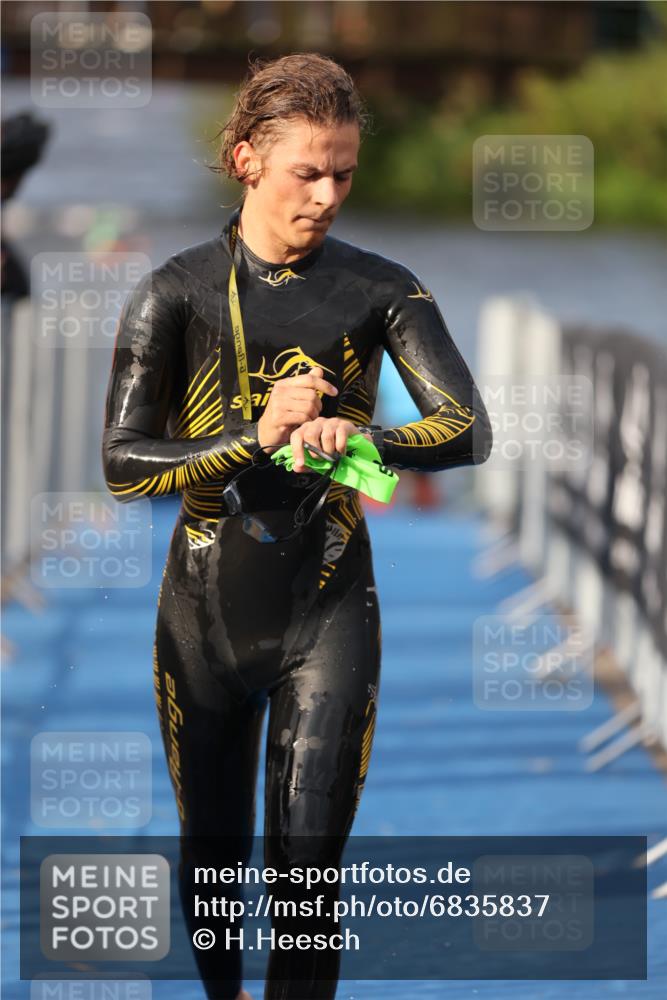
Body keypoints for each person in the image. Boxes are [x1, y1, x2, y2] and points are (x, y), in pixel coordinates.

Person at [102, 52, 492, 1000]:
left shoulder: (379, 288)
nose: (327, 194)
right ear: (245, 160)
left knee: (309, 865)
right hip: (203, 613)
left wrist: (362, 436)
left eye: (344, 172)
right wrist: (255, 435)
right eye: (306, 171)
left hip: (328, 606)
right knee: (213, 862)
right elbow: (122, 466)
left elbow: (466, 429)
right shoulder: (176, 292)